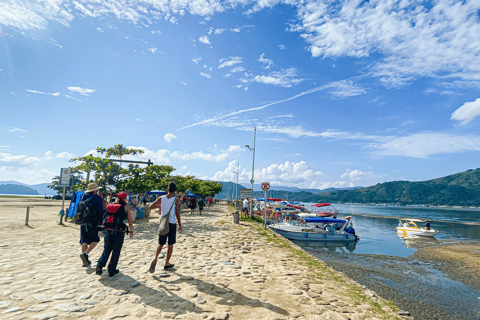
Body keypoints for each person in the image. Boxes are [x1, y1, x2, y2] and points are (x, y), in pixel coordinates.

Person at [96, 191, 133, 276]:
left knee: (107, 249)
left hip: (108, 230)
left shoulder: (110, 205)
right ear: (125, 198)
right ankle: (111, 270)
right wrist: (131, 230)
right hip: (119, 231)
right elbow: (130, 220)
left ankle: (99, 265)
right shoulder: (126, 206)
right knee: (116, 251)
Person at [148, 182, 182, 273]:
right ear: (175, 190)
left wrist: (160, 206)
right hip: (171, 224)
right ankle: (167, 263)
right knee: (170, 244)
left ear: (167, 189)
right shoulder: (176, 200)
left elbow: (150, 207)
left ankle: (155, 258)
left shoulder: (161, 198)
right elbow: (177, 213)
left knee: (161, 243)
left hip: (163, 223)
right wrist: (180, 225)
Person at [79, 183, 105, 267]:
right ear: (95, 190)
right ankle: (86, 254)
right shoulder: (97, 198)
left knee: (84, 240)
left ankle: (85, 260)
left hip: (83, 222)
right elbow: (100, 211)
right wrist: (101, 223)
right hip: (93, 222)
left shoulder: (83, 197)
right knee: (95, 240)